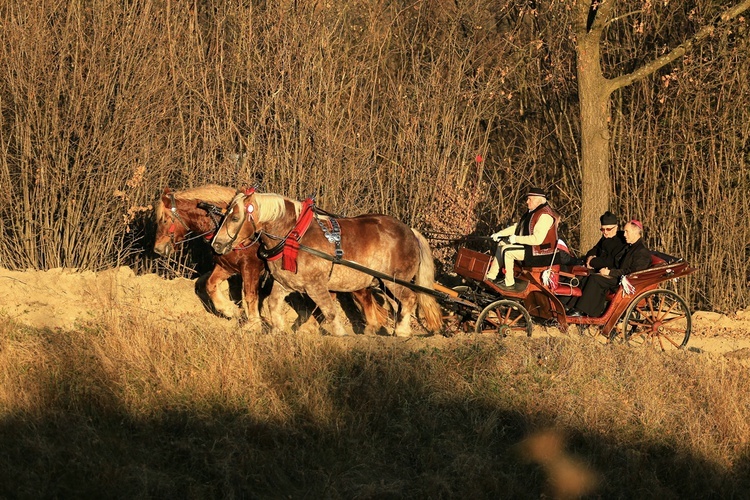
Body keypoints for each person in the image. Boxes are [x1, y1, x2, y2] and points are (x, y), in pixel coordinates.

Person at [569, 220, 651, 317]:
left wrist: (610, 272)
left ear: (635, 232)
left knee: (596, 279)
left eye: (626, 231)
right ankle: (573, 306)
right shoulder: (631, 246)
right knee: (590, 275)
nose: (624, 234)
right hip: (619, 277)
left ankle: (583, 311)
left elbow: (633, 273)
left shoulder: (641, 251)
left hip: (627, 283)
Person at [487, 186, 561, 292]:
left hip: (542, 254)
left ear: (537, 200)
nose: (527, 202)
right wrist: (499, 234)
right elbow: (518, 227)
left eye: (529, 199)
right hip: (532, 249)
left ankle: (509, 283)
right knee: (502, 243)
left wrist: (516, 239)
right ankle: (491, 276)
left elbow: (537, 240)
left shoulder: (545, 215)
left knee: (508, 251)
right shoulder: (532, 213)